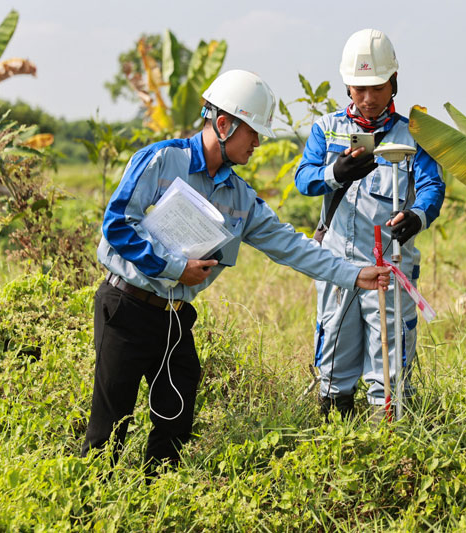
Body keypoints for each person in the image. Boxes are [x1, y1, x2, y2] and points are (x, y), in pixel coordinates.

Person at [81, 69, 390, 472]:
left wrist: (353, 274)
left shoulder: (240, 197)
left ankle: (154, 496)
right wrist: (177, 267)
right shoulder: (160, 160)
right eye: (253, 133)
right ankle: (90, 503)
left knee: (175, 420)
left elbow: (291, 246)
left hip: (173, 318)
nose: (259, 143)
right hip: (125, 307)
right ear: (223, 125)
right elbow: (117, 225)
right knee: (109, 429)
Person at [295, 29, 445, 418]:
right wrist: (334, 172)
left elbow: (432, 186)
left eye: (376, 87)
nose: (368, 98)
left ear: (393, 82)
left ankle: (390, 440)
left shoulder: (413, 134)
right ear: (347, 85)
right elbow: (303, 178)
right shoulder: (326, 129)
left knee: (390, 361)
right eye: (359, 88)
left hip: (390, 267)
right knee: (334, 358)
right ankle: (336, 433)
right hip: (337, 267)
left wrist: (417, 215)